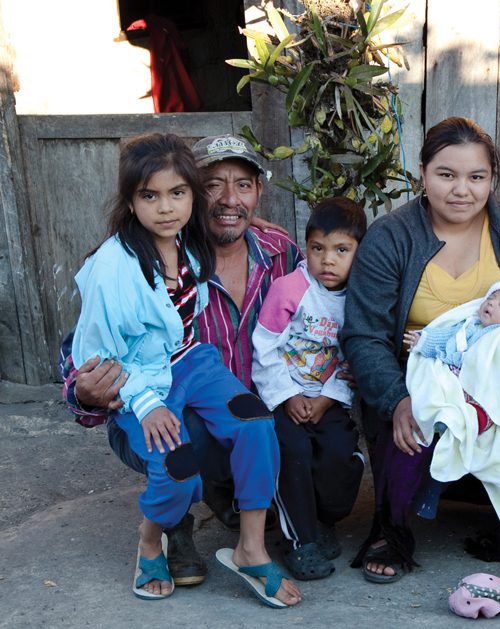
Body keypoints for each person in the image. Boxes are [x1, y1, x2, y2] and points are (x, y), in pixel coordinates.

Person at [341, 116, 500, 584]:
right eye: (447, 174)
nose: (461, 190)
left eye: (476, 177)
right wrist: (396, 397)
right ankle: (393, 525)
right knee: (407, 424)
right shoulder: (392, 236)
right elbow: (364, 335)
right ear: (422, 174)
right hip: (421, 371)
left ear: (490, 179)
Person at [59, 134, 306, 587]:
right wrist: (144, 402)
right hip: (140, 382)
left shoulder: (191, 243)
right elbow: (89, 355)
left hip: (193, 363)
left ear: (191, 195)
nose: (166, 207)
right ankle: (152, 538)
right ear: (131, 201)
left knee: (254, 423)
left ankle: (251, 548)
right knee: (175, 462)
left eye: (177, 193)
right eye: (149, 196)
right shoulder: (112, 267)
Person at [251, 197, 367, 581]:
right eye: (318, 248)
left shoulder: (360, 298)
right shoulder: (290, 288)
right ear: (306, 248)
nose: (328, 260)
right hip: (285, 399)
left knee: (338, 456)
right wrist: (287, 396)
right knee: (293, 453)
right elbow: (264, 345)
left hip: (329, 400)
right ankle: (299, 539)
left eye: (341, 250)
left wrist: (329, 398)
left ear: (359, 252)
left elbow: (352, 360)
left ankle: (323, 520)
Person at [404, 279, 500, 550]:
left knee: (464, 434)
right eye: (491, 299)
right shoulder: (469, 326)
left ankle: (435, 488)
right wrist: (423, 341)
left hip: (479, 398)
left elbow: (499, 370)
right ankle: (428, 492)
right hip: (452, 383)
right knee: (438, 422)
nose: (492, 305)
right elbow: (446, 340)